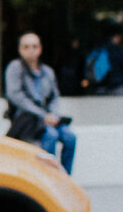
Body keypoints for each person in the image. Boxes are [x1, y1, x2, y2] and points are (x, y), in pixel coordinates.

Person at [5, 30, 76, 173]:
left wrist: (53, 115)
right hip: (28, 119)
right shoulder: (15, 68)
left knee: (70, 137)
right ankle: (49, 176)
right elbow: (16, 96)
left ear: (40, 49)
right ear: (20, 49)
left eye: (34, 46)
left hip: (49, 118)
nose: (31, 50)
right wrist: (43, 116)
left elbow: (54, 96)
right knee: (51, 135)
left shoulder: (47, 72)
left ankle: (65, 178)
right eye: (26, 47)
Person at [84, 26, 123, 96]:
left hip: (99, 88)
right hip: (116, 86)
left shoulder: (97, 48)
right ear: (116, 36)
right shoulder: (117, 50)